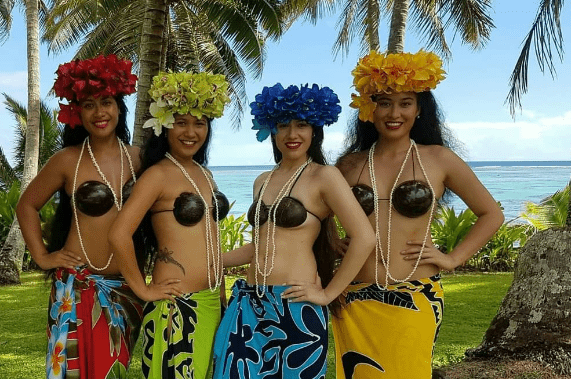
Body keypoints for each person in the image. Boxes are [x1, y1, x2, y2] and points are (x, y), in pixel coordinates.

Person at [332, 50, 505, 378]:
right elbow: (315, 211)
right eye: (384, 102)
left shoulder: (438, 158)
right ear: (370, 108)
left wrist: (452, 258)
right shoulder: (349, 164)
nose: (394, 112)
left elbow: (491, 214)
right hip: (354, 297)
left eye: (405, 102)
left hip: (416, 293)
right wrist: (332, 239)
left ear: (420, 108)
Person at [212, 83, 376, 379]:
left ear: (315, 129)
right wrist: (211, 259)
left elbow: (365, 238)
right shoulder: (263, 180)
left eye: (302, 124)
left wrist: (328, 293)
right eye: (283, 125)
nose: (292, 134)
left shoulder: (324, 176)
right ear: (271, 129)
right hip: (250, 302)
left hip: (296, 306)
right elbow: (259, 246)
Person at [16, 55, 146, 378]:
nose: (99, 112)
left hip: (124, 293)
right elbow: (26, 205)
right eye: (89, 104)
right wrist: (44, 257)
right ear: (77, 112)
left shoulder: (139, 159)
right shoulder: (67, 160)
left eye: (106, 102)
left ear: (119, 106)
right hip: (77, 291)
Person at [108, 71, 232, 379]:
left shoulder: (204, 175)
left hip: (210, 303)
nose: (191, 131)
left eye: (199, 123)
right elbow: (119, 233)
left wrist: (220, 297)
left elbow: (209, 239)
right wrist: (142, 289)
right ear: (165, 126)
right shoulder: (158, 175)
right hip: (176, 307)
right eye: (181, 122)